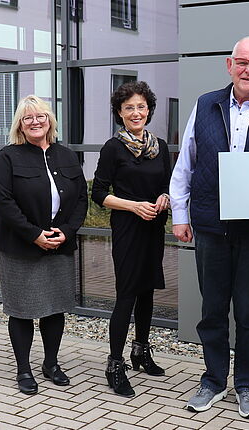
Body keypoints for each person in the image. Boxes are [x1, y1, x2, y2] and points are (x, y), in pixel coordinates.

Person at [170, 35, 249, 419]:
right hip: (210, 226)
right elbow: (186, 162)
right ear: (229, 65)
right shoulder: (206, 104)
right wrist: (180, 214)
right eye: (242, 62)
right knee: (211, 310)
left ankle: (246, 385)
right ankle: (212, 380)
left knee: (248, 313)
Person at [0, 95, 88, 395]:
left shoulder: (67, 155)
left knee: (54, 308)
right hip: (21, 247)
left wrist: (67, 232)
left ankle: (51, 364)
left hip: (58, 244)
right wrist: (33, 234)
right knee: (22, 310)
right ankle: (23, 369)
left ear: (50, 120)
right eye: (28, 117)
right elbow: (3, 201)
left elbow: (81, 198)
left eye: (41, 116)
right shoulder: (8, 156)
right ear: (20, 123)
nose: (35, 122)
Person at [91, 81, 172, 397]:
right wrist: (133, 206)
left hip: (153, 226)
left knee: (148, 291)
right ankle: (114, 364)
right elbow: (98, 193)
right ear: (120, 114)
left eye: (141, 106)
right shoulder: (113, 148)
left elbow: (167, 184)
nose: (136, 112)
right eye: (129, 108)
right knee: (127, 294)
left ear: (149, 109)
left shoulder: (160, 146)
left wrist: (164, 197)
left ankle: (141, 351)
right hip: (127, 228)